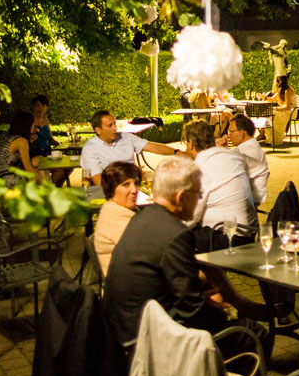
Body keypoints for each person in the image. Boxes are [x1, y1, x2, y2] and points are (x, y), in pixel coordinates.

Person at [102, 156, 270, 364]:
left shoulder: (143, 217)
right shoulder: (176, 234)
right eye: (198, 194)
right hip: (147, 343)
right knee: (253, 333)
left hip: (120, 332)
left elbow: (181, 292)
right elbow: (191, 311)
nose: (200, 199)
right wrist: (222, 313)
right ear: (181, 196)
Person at [183, 120, 257, 250]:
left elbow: (192, 215)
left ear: (190, 144)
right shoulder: (233, 157)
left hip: (226, 237)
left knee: (174, 238)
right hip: (249, 231)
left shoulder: (200, 167)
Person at [80, 109, 178, 186]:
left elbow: (152, 146)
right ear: (98, 130)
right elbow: (99, 182)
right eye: (110, 126)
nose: (115, 128)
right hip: (111, 193)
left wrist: (177, 152)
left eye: (114, 124)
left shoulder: (126, 137)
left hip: (134, 185)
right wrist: (132, 176)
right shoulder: (90, 148)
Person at [92, 160, 142, 275]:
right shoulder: (117, 219)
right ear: (111, 188)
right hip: (126, 286)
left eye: (136, 183)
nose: (134, 190)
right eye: (126, 184)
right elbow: (146, 254)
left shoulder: (115, 207)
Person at [216, 113, 269, 205]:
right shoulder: (250, 147)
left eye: (231, 132)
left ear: (242, 133)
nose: (228, 135)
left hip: (243, 201)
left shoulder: (249, 151)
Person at [0, 111, 43, 187]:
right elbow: (28, 168)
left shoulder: (6, 134)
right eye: (33, 124)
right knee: (39, 171)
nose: (35, 125)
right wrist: (43, 181)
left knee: (38, 160)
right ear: (27, 125)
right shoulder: (21, 141)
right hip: (5, 179)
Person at [265, 74, 296, 146]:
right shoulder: (280, 90)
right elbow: (272, 99)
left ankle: (276, 140)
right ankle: (271, 139)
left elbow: (287, 107)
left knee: (271, 117)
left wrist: (275, 108)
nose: (275, 82)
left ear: (279, 82)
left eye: (276, 81)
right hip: (283, 110)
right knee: (266, 117)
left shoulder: (287, 91)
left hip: (290, 111)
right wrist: (263, 97)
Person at [28, 93, 54, 158]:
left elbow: (51, 138)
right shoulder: (30, 119)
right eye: (38, 105)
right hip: (34, 153)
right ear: (33, 106)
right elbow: (28, 138)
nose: (41, 108)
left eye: (43, 105)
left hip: (47, 151)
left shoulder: (46, 120)